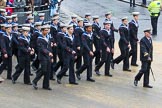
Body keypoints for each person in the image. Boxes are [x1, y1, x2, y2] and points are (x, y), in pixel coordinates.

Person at [32, 25, 53, 90]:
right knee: (44, 70)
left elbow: (49, 48)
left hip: (48, 56)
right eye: (45, 30)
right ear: (42, 31)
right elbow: (41, 48)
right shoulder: (39, 39)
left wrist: (51, 56)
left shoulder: (47, 37)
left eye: (47, 30)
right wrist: (48, 52)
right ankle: (35, 81)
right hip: (42, 56)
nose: (47, 31)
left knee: (48, 71)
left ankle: (46, 85)